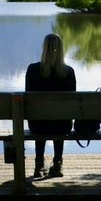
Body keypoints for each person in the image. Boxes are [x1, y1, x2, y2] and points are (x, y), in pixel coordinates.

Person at [25, 32, 76, 178]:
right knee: (60, 118)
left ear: (44, 48)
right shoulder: (69, 72)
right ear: (61, 49)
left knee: (40, 117)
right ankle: (57, 163)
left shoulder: (33, 70)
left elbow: (29, 100)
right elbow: (72, 103)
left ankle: (39, 163)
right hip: (62, 126)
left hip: (37, 125)